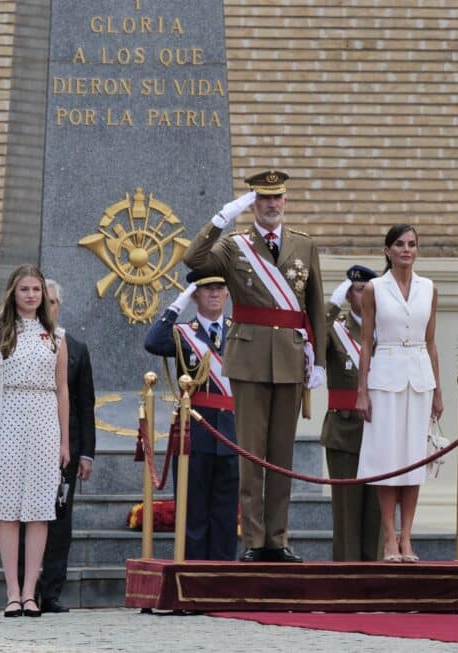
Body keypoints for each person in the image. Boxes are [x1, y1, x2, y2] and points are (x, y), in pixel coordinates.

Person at [183, 169, 326, 563]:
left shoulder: (303, 245)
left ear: (285, 201)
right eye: (264, 199)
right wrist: (220, 219)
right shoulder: (234, 247)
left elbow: (314, 304)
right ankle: (253, 541)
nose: (272, 205)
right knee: (251, 455)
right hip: (247, 358)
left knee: (282, 454)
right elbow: (192, 259)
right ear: (253, 204)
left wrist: (320, 359)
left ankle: (277, 540)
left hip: (289, 358)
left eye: (278, 198)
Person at [0, 264, 70, 618]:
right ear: (13, 293)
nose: (31, 295)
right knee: (8, 511)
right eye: (24, 289)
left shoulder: (56, 336)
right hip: (6, 420)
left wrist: (64, 442)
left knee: (39, 511)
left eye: (35, 289)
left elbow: (63, 391)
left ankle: (31, 592)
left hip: (44, 421)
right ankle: (12, 593)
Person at [356, 224, 444, 563]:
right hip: (386, 373)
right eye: (399, 244)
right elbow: (366, 342)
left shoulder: (429, 288)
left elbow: (432, 341)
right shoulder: (375, 288)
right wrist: (362, 390)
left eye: (412, 244)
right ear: (387, 250)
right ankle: (389, 538)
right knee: (387, 457)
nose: (406, 250)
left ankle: (408, 537)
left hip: (419, 375)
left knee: (412, 459)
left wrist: (438, 389)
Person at [144, 270, 239, 561]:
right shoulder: (184, 332)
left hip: (232, 431)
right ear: (196, 294)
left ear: (226, 293)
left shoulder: (238, 330)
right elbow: (153, 342)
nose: (213, 293)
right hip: (195, 431)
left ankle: (222, 578)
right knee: (194, 510)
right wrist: (178, 304)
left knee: (225, 511)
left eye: (219, 288)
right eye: (206, 288)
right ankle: (194, 577)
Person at [35, 279, 95, 613]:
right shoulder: (16, 342)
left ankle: (51, 592)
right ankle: (25, 589)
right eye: (44, 300)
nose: (48, 306)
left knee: (60, 521)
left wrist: (86, 452)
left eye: (53, 302)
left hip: (65, 451)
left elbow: (86, 405)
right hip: (29, 444)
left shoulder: (76, 347)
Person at [321, 264, 382, 561]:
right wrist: (331, 306)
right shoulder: (336, 331)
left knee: (377, 513)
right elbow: (311, 343)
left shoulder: (387, 331)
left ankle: (376, 577)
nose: (366, 295)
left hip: (381, 429)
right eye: (359, 290)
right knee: (347, 512)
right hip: (344, 431)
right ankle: (345, 576)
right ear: (348, 295)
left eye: (370, 290)